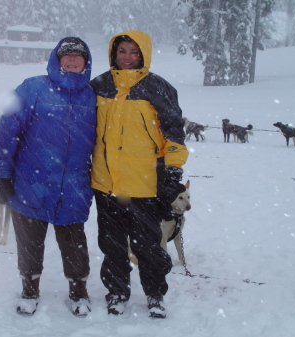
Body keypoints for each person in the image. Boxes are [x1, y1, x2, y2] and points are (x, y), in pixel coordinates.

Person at [0, 37, 96, 317]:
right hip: (30, 183)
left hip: (74, 187)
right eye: (67, 56)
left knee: (75, 244)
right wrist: (1, 174)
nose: (72, 60)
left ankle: (79, 291)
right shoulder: (33, 88)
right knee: (29, 242)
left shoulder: (93, 96)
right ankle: (29, 289)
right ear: (56, 59)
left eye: (78, 56)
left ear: (86, 63)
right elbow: (7, 131)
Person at [90, 30, 189, 319]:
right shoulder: (99, 85)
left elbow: (174, 134)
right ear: (113, 53)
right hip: (105, 184)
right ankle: (117, 292)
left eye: (134, 52)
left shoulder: (158, 88)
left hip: (144, 185)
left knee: (147, 246)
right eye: (122, 51)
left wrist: (172, 172)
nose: (128, 57)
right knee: (112, 245)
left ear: (143, 54)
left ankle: (155, 294)